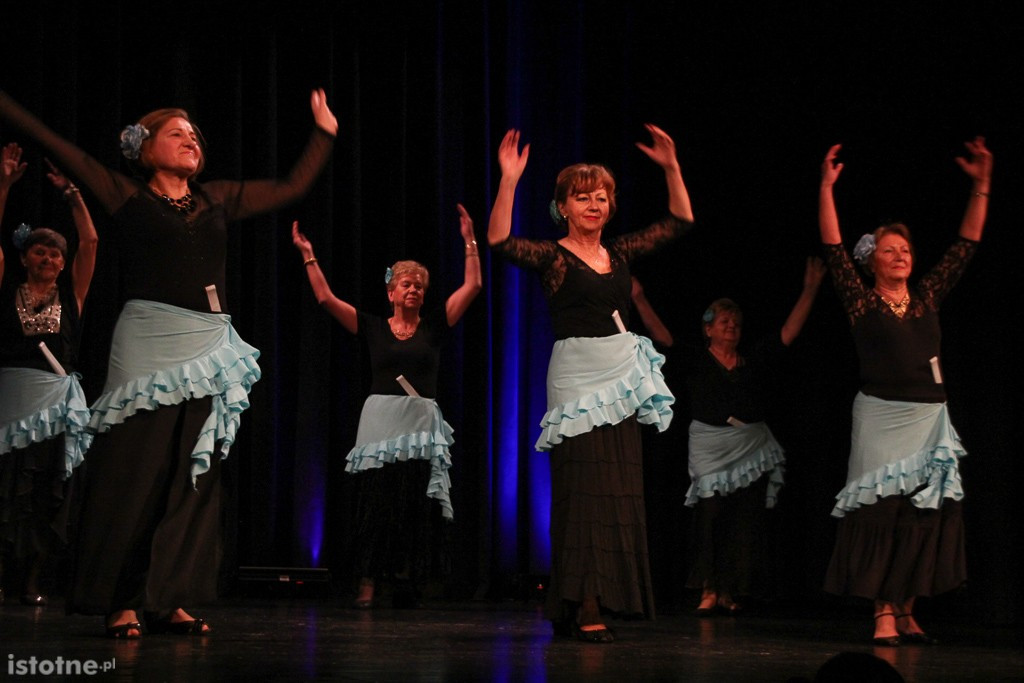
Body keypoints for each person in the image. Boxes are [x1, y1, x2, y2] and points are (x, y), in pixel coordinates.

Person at [0, 88, 337, 637]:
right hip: (148, 340)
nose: (191, 140)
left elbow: (292, 186)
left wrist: (324, 132)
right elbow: (50, 138)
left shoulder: (217, 197)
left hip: (208, 345)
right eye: (176, 133)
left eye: (195, 136)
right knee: (135, 471)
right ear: (144, 147)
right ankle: (120, 598)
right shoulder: (125, 193)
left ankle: (167, 596)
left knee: (191, 476)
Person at [487, 125, 694, 642]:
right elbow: (497, 240)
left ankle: (606, 598)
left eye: (601, 197)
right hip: (578, 381)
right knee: (582, 494)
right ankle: (583, 604)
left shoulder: (620, 252)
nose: (594, 205)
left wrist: (671, 167)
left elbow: (681, 221)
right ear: (564, 206)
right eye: (583, 197)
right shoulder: (554, 257)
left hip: (620, 381)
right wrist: (509, 180)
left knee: (618, 492)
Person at [818, 138, 992, 646]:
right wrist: (826, 189)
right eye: (889, 250)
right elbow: (832, 248)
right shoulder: (861, 302)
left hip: (930, 417)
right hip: (881, 416)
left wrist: (981, 185)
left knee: (925, 512)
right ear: (873, 261)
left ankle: (908, 606)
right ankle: (882, 612)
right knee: (882, 510)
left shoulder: (927, 297)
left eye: (906, 250)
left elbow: (965, 245)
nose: (900, 256)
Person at [291, 205, 480, 608]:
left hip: (421, 424)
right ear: (391, 292)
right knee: (378, 501)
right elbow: (324, 297)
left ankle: (413, 580)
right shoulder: (373, 327)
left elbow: (473, 287)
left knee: (416, 501)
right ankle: (369, 581)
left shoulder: (434, 326)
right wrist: (309, 253)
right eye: (406, 284)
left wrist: (469, 241)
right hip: (381, 423)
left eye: (419, 286)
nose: (414, 290)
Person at [632, 260, 824, 616]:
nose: (732, 327)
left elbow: (787, 333)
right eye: (724, 322)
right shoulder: (696, 358)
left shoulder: (751, 360)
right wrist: (640, 298)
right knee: (710, 513)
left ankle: (729, 590)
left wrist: (811, 289)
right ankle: (708, 587)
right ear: (708, 329)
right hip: (709, 444)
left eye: (736, 322)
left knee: (743, 518)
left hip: (748, 446)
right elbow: (662, 336)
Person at [0, 144, 97, 606]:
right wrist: (2, 186)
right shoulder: (7, 291)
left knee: (45, 492)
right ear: (25, 258)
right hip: (11, 401)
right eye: (41, 252)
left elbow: (91, 243)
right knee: (6, 487)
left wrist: (74, 195)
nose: (50, 260)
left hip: (54, 406)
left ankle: (33, 579)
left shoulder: (72, 297)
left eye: (56, 255)